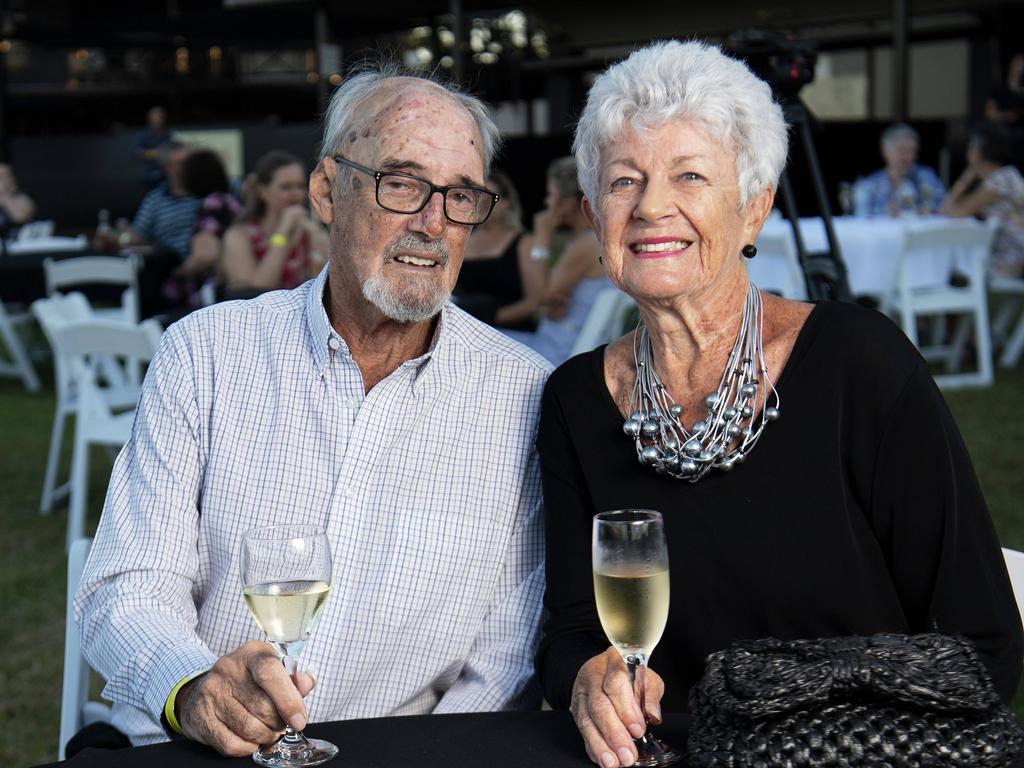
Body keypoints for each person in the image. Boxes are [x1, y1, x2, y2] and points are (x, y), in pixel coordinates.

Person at [534, 40, 1022, 768]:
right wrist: (586, 678)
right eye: (623, 181)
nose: (652, 207)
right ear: (592, 215)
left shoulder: (860, 364)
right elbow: (575, 626)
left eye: (690, 175)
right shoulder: (575, 400)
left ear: (754, 209)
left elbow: (984, 644)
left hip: (860, 754)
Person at [75, 62, 552, 756]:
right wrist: (196, 689)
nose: (433, 222)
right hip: (191, 750)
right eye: (404, 183)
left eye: (460, 195)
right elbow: (128, 584)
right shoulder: (207, 354)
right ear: (329, 191)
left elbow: (504, 663)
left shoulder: (523, 395)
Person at [505, 157, 610, 365]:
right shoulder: (592, 240)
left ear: (567, 203)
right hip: (566, 343)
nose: (547, 203)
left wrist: (541, 237)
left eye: (551, 195)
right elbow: (551, 299)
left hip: (556, 352)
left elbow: (542, 296)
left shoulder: (585, 245)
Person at [221, 151, 328, 293]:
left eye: (300, 186)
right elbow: (258, 288)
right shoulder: (239, 235)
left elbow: (330, 277)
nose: (295, 193)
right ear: (263, 192)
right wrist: (282, 232)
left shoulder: (308, 230)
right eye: (286, 187)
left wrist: (314, 232)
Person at [454, 170, 546, 331]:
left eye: (488, 197)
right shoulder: (461, 239)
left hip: (509, 333)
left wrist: (488, 319)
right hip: (462, 332)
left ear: (506, 202)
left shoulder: (524, 243)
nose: (480, 203)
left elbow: (534, 302)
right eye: (476, 196)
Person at [160, 149, 243, 310]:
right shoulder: (229, 201)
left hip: (209, 295)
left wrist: (178, 273)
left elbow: (204, 257)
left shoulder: (211, 205)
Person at [941, 124, 1024, 278]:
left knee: (956, 265)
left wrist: (965, 179)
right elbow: (948, 211)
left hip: (1014, 257)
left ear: (977, 152)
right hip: (1010, 251)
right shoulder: (1004, 176)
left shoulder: (999, 182)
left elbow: (955, 213)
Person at [126, 143, 201, 261]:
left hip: (205, 264)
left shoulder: (206, 192)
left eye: (190, 162)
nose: (187, 167)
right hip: (170, 268)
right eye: (181, 163)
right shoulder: (155, 199)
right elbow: (136, 235)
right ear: (167, 167)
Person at [852, 123, 946, 216]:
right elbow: (861, 217)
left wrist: (918, 212)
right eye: (901, 150)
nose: (908, 156)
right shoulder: (869, 184)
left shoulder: (927, 177)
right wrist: (887, 215)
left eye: (912, 150)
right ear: (885, 151)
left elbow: (945, 210)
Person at [135, 106, 174, 191]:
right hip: (151, 172)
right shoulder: (144, 135)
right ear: (150, 119)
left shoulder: (168, 133)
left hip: (167, 173)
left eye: (161, 116)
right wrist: (154, 153)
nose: (159, 119)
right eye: (156, 117)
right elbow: (137, 152)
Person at [0, 162, 37, 229]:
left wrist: (6, 197)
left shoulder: (22, 196)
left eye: (5, 176)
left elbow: (20, 217)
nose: (3, 180)